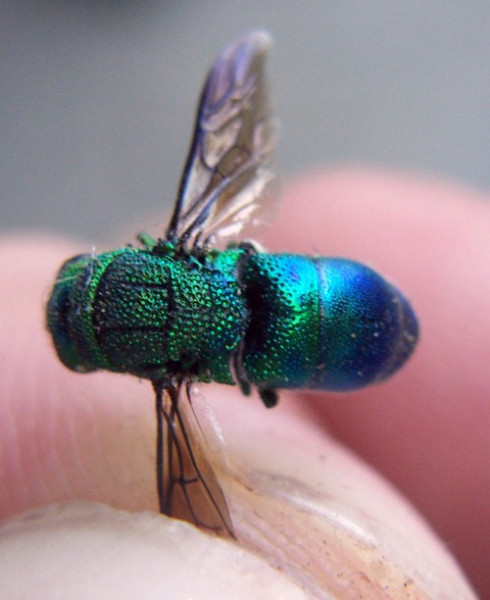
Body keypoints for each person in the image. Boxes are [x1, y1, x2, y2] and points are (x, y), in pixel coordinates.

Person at [0, 170, 487, 598]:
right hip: (333, 293)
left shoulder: (168, 382)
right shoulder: (177, 250)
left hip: (331, 342)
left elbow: (192, 504)